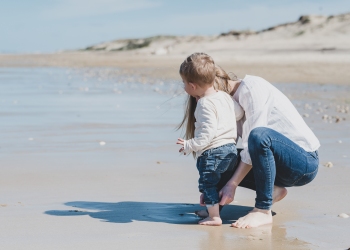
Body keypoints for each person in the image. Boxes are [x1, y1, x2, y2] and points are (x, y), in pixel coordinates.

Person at [186, 52, 321, 229]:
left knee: (259, 136)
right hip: (275, 163)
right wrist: (213, 187)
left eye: (200, 97)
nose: (201, 102)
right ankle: (274, 190)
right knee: (217, 157)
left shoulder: (252, 88)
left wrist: (231, 184)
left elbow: (255, 144)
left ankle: (263, 210)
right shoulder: (227, 107)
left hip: (303, 163)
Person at [176, 53, 244, 226]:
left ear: (192, 86)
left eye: (184, 83)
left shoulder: (205, 104)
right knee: (217, 183)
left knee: (208, 184)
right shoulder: (224, 96)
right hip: (230, 149)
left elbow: (207, 134)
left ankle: (214, 217)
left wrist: (189, 144)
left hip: (213, 152)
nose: (184, 86)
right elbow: (239, 113)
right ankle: (210, 211)